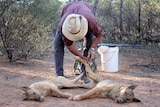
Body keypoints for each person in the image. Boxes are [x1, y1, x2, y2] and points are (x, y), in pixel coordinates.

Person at [54, 1, 104, 83]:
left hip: (84, 19)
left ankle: (84, 74)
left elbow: (99, 34)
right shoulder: (64, 25)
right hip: (67, 17)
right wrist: (81, 57)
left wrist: (92, 49)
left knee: (89, 41)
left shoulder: (91, 21)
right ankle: (59, 76)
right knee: (58, 43)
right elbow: (69, 45)